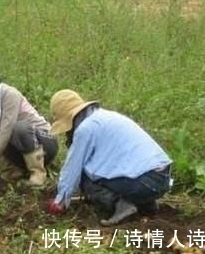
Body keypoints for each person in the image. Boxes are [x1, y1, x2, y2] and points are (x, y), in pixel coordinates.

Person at [46, 89, 173, 225]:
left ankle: (119, 205)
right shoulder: (106, 117)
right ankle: (146, 205)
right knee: (110, 168)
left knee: (85, 175)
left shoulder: (86, 128)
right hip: (161, 178)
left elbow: (73, 168)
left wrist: (60, 201)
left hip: (143, 182)